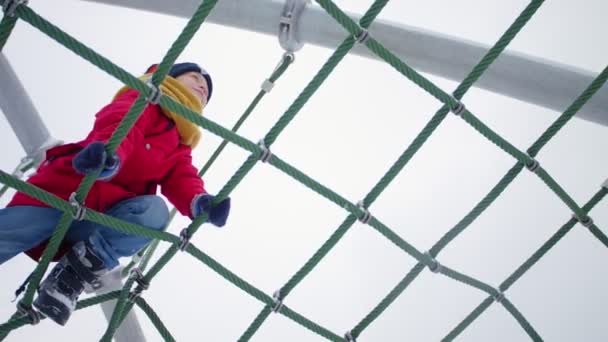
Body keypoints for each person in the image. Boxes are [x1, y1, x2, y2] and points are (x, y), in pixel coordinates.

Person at [0, 62, 231, 325]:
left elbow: (182, 177)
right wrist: (110, 156)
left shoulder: (180, 143)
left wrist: (199, 202)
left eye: (207, 90)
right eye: (195, 77)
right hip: (65, 193)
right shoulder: (145, 98)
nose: (202, 86)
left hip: (100, 217)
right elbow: (122, 125)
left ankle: (71, 276)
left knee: (154, 212)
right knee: (11, 232)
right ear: (171, 77)